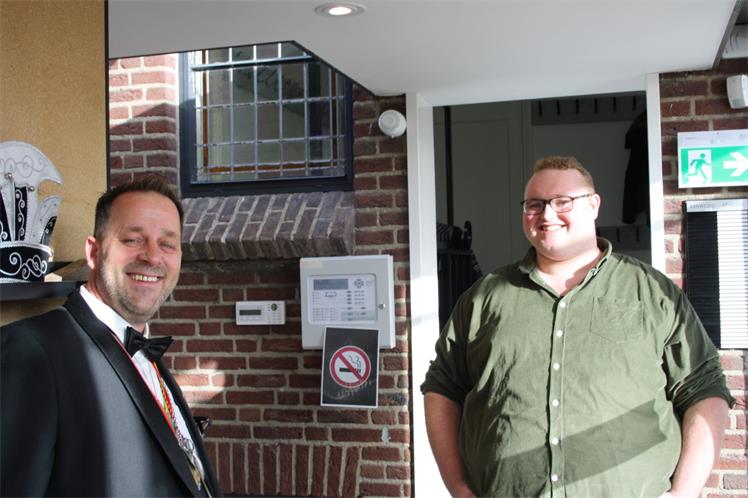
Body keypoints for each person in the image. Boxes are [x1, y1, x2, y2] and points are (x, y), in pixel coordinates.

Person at [421, 156, 734, 498]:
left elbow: (704, 389)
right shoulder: (484, 298)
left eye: (563, 201)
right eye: (535, 204)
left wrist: (683, 493)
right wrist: (458, 486)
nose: (547, 214)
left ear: (594, 205)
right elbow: (442, 386)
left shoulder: (651, 292)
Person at [1, 177, 222, 497]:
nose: (152, 257)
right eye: (133, 239)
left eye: (167, 244)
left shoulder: (147, 354)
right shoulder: (29, 351)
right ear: (94, 252)